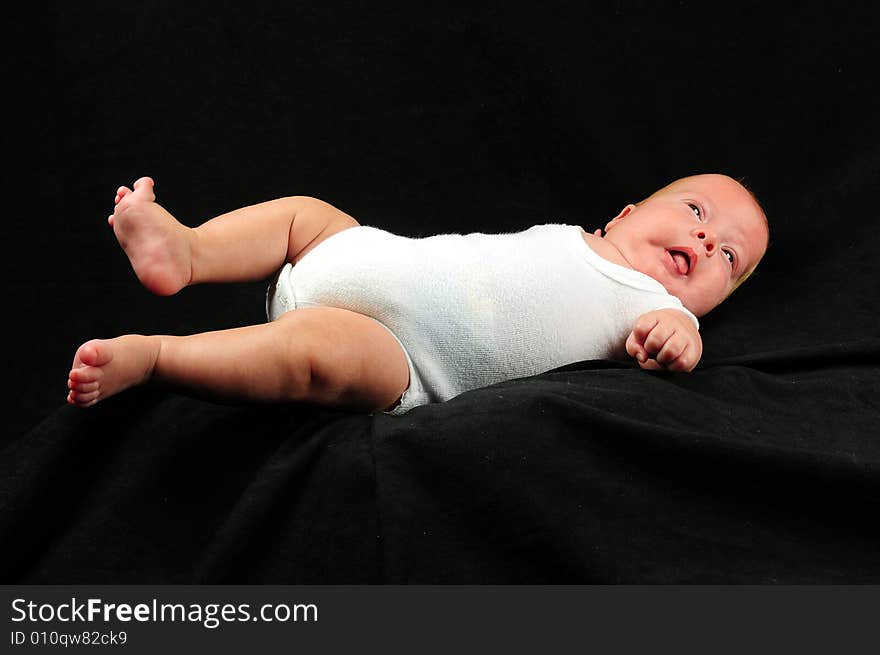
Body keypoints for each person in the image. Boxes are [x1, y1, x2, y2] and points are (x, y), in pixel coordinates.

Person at [66, 173, 769, 414]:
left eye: (728, 256)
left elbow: (684, 344)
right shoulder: (578, 237)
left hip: (407, 360)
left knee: (313, 355)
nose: (707, 242)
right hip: (371, 254)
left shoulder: (664, 310)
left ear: (711, 300)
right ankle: (187, 250)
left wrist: (681, 338)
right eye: (695, 211)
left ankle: (157, 358)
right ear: (624, 216)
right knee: (303, 215)